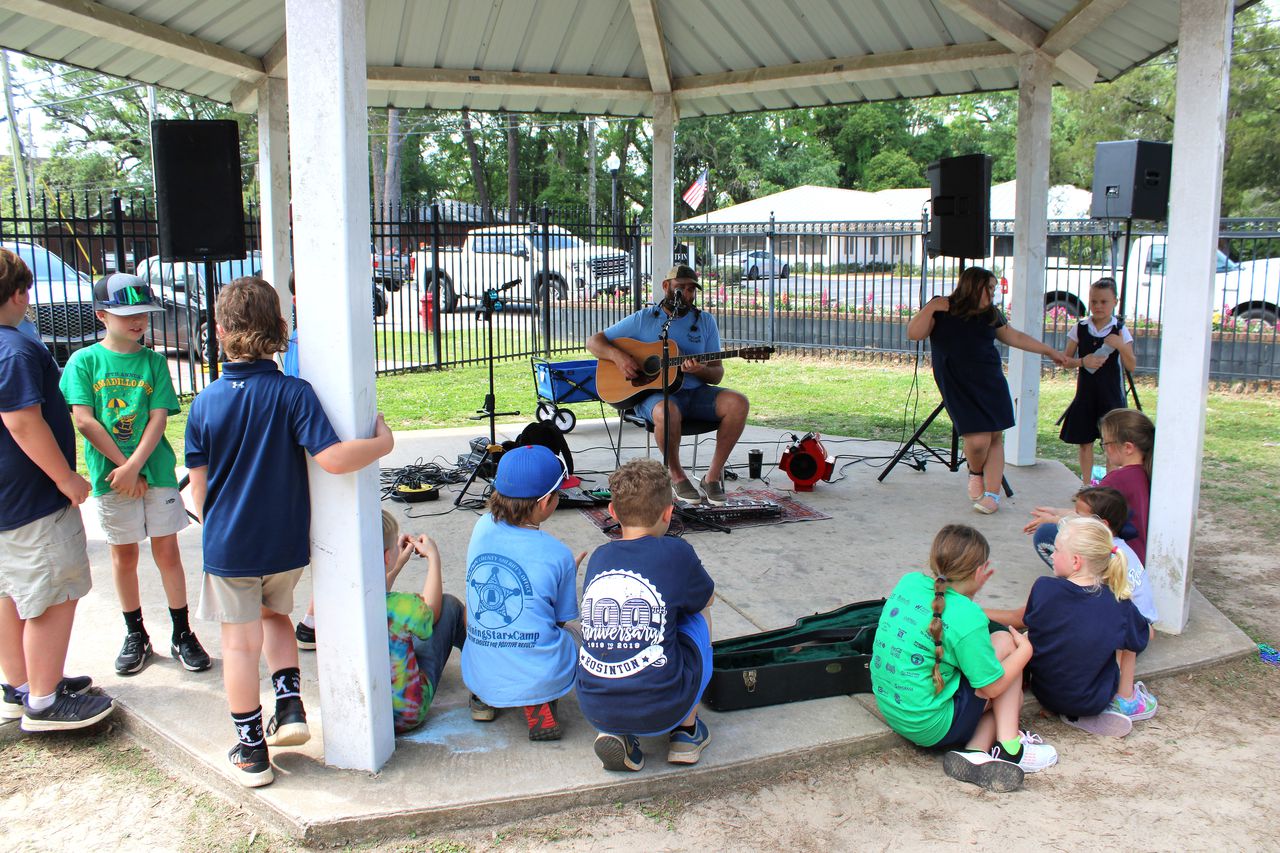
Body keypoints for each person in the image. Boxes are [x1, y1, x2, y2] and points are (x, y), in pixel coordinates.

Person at [185, 276, 394, 787]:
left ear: (219, 331)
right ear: (281, 329)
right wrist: (383, 443)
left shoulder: (204, 402)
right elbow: (335, 459)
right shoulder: (293, 393)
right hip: (284, 544)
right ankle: (290, 706)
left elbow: (198, 490)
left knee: (237, 646)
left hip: (230, 546)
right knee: (276, 617)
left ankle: (252, 750)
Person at [59, 273, 211, 676]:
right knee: (123, 554)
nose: (138, 321)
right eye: (127, 314)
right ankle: (136, 633)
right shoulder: (84, 362)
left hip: (155, 473)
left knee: (167, 552)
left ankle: (182, 632)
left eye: (143, 312)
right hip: (112, 480)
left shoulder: (154, 362)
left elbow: (158, 419)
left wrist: (135, 466)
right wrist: (121, 468)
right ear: (101, 315)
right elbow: (85, 420)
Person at [0, 247, 114, 732]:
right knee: (51, 594)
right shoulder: (17, 349)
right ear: (21, 292)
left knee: (10, 593)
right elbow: (24, 423)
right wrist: (65, 478)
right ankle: (44, 703)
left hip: (7, 503)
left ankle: (22, 685)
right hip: (33, 501)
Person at [872, 524, 1057, 793]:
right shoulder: (968, 616)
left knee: (1010, 697)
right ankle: (1010, 746)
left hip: (894, 711)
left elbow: (945, 623)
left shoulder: (909, 582)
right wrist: (1025, 651)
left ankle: (975, 752)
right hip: (931, 725)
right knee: (1006, 646)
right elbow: (990, 687)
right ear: (980, 571)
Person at [577, 459, 715, 771]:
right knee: (697, 618)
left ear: (612, 512)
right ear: (669, 512)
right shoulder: (677, 552)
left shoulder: (599, 556)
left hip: (594, 706)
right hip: (662, 709)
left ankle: (617, 731)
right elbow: (707, 598)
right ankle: (686, 732)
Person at [906, 267, 1066, 514]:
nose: (993, 292)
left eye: (994, 288)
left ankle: (992, 495)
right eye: (989, 287)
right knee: (978, 440)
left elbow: (1015, 337)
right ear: (972, 285)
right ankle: (975, 471)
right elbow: (914, 333)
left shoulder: (991, 314)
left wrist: (1049, 351)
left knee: (994, 436)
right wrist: (931, 307)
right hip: (957, 383)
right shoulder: (942, 308)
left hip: (990, 381)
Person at [586, 265, 749, 505]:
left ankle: (712, 477)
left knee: (738, 403)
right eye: (680, 288)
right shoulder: (644, 319)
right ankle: (677, 476)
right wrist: (619, 357)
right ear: (666, 287)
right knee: (667, 410)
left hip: (696, 393)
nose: (687, 293)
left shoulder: (705, 322)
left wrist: (700, 370)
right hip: (654, 395)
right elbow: (594, 342)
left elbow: (716, 374)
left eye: (692, 289)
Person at [461, 444, 584, 741]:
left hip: (479, 672)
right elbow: (556, 621)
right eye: (558, 494)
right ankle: (538, 699)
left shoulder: (481, 526)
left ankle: (483, 696)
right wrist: (567, 573)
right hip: (535, 672)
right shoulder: (559, 555)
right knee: (578, 633)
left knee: (470, 615)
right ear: (545, 503)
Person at [986, 515, 1150, 738]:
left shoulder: (1044, 588)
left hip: (1045, 692)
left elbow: (1023, 619)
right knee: (1131, 634)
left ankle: (1087, 710)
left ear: (1075, 561)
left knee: (1036, 630)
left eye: (1056, 549)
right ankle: (1126, 699)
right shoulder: (1119, 604)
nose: (1052, 554)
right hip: (1093, 700)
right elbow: (1143, 636)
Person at [1025, 408, 1154, 564]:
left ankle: (1082, 583)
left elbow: (1087, 520)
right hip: (1136, 556)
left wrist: (1055, 520)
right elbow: (1097, 512)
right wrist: (1058, 511)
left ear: (1128, 447)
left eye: (1106, 443)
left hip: (1118, 560)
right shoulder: (1145, 473)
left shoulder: (1117, 479)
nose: (1105, 449)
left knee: (1046, 533)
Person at [380, 510, 466, 735]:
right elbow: (432, 614)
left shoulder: (340, 601)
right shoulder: (400, 606)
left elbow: (374, 588)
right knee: (449, 605)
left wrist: (396, 566)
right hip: (405, 713)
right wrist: (433, 558)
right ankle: (484, 678)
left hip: (366, 712)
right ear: (386, 556)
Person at [1058, 278, 1136, 484]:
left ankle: (1108, 487)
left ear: (1114, 302)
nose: (1098, 307)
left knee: (1112, 443)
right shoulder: (1080, 328)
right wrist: (1083, 361)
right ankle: (1085, 484)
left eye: (1104, 302)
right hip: (1086, 394)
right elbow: (1066, 361)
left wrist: (1120, 345)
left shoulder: (1119, 330)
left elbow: (1131, 365)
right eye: (1094, 302)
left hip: (1110, 395)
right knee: (1085, 442)